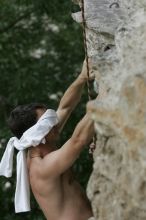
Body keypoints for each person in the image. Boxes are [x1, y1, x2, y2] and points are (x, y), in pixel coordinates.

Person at [1, 61, 95, 220]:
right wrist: (104, 99)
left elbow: (65, 107)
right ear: (37, 136)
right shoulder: (41, 168)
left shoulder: (44, 141)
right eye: (48, 123)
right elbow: (78, 140)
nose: (54, 123)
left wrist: (81, 77)